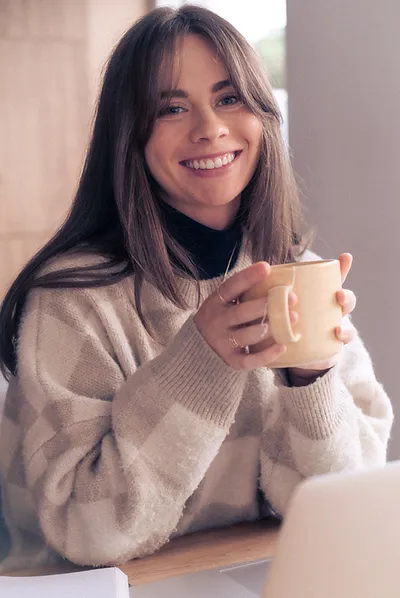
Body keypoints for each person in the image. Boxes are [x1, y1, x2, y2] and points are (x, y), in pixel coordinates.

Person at [0, 5, 393, 572]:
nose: (209, 128)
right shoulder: (72, 301)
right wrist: (201, 361)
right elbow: (88, 531)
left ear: (263, 114)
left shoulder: (298, 274)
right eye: (171, 108)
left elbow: (339, 506)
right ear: (129, 136)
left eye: (229, 98)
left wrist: (311, 378)